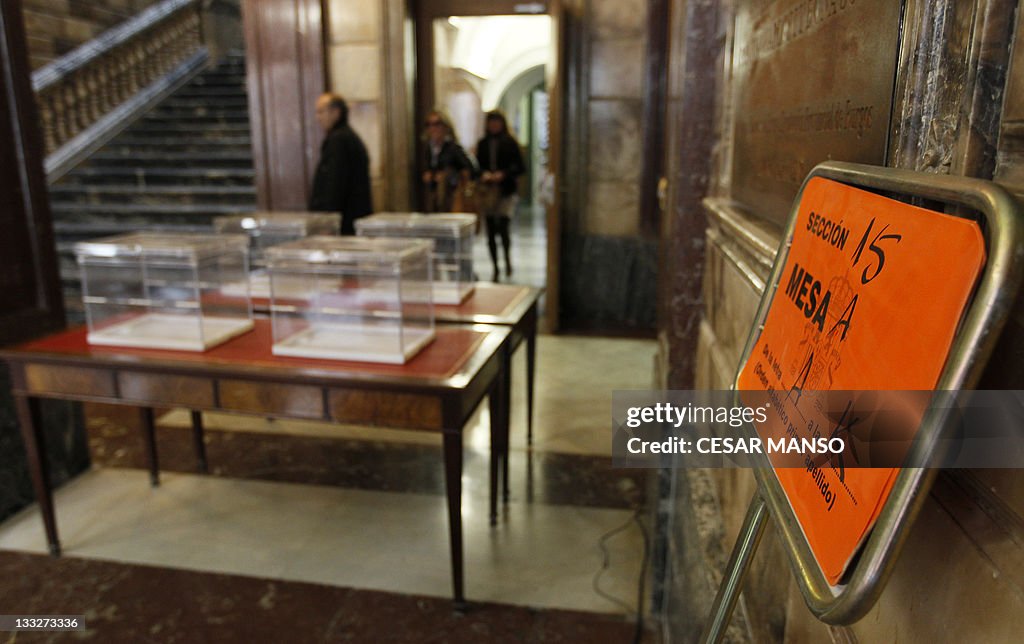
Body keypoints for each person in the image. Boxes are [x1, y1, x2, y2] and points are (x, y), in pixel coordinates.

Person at [309, 93, 372, 234]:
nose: (318, 117)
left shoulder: (339, 140)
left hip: (343, 222)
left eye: (321, 111)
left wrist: (326, 222)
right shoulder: (344, 137)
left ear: (336, 112)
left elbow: (334, 184)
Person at [475, 110, 524, 281]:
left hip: (505, 191)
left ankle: (507, 261)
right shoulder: (482, 144)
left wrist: (503, 174)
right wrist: (485, 174)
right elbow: (476, 167)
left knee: (503, 228)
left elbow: (520, 167)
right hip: (488, 193)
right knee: (490, 232)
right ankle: (495, 266)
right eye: (491, 122)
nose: (494, 125)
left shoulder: (510, 143)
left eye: (497, 122)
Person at [421, 110, 476, 213]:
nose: (433, 128)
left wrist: (447, 175)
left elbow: (470, 170)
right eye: (429, 124)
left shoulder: (453, 148)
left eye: (437, 124)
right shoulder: (429, 148)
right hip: (436, 196)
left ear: (445, 126)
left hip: (452, 196)